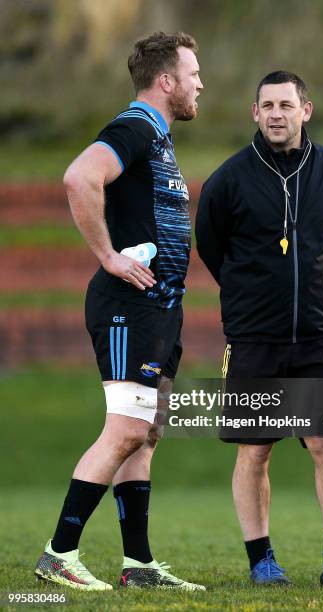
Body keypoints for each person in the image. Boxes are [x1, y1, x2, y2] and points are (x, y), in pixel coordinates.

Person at [35, 31, 205, 592]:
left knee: (146, 433)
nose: (200, 83)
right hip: (128, 307)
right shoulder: (134, 127)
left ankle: (139, 566)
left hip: (159, 309)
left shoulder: (157, 138)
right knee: (127, 427)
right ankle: (58, 553)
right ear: (166, 81)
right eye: (193, 74)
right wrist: (107, 255)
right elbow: (79, 176)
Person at [196, 71, 323, 587]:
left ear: (305, 111)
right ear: (254, 112)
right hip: (255, 342)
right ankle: (261, 559)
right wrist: (254, 297)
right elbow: (211, 245)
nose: (276, 113)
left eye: (286, 104)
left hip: (318, 338)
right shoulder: (229, 178)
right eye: (266, 104)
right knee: (255, 450)